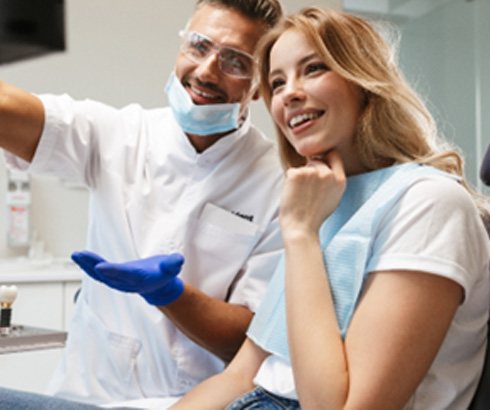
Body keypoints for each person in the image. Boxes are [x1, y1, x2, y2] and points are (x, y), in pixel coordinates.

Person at [170, 7, 490, 409]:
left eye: (314, 68)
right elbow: (241, 374)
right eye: (277, 82)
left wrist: (301, 236)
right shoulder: (322, 201)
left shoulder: (428, 203)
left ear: (364, 81)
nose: (290, 93)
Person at [0, 0, 284, 405]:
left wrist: (171, 294)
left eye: (235, 62)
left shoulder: (277, 183)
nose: (206, 71)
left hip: (189, 400)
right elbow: (14, 112)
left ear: (260, 86)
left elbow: (250, 341)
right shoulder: (119, 134)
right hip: (84, 392)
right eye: (199, 46)